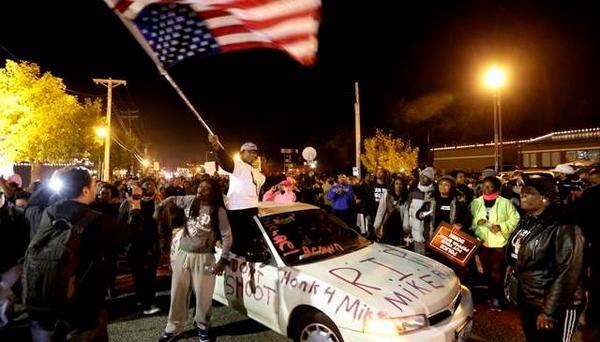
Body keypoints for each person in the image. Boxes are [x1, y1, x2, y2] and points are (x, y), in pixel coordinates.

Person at [25, 167, 142, 341]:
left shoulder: (47, 212)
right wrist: (136, 206)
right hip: (83, 308)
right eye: (94, 185)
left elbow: (31, 204)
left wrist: (53, 179)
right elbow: (133, 236)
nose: (96, 189)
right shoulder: (97, 220)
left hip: (44, 301)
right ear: (85, 190)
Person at [506, 175, 585, 341]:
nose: (523, 195)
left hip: (554, 304)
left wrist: (549, 311)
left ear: (545, 198)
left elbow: (567, 273)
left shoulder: (564, 226)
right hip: (530, 298)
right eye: (522, 191)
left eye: (529, 192)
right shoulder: (529, 220)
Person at [156, 178, 232, 342]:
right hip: (183, 255)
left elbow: (227, 236)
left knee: (204, 296)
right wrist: (160, 207)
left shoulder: (218, 211)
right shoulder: (189, 200)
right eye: (200, 187)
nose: (200, 190)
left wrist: (223, 260)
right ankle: (173, 328)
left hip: (205, 258)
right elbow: (171, 200)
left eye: (205, 189)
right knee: (177, 293)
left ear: (212, 193)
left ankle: (203, 326)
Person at [208, 134, 264, 257]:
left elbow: (269, 180)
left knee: (249, 244)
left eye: (255, 152)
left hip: (252, 210)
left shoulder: (257, 172)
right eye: (250, 152)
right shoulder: (239, 166)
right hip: (237, 211)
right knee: (237, 247)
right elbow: (226, 163)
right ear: (242, 153)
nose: (253, 155)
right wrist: (217, 148)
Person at [470, 176, 520, 311]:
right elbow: (471, 221)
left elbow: (515, 219)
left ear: (497, 188)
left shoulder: (505, 203)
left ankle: (496, 297)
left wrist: (501, 226)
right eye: (484, 186)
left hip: (499, 242)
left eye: (489, 186)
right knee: (485, 271)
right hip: (482, 242)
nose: (485, 189)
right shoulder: (475, 202)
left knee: (496, 271)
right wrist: (477, 223)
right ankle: (490, 293)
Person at [404, 167, 436, 255]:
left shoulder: (434, 193)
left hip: (427, 231)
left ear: (430, 179)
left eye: (426, 176)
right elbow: (408, 208)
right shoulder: (414, 190)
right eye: (422, 175)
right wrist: (406, 225)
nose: (422, 178)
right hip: (414, 229)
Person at [373, 177, 408, 246]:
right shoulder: (387, 194)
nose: (398, 186)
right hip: (388, 222)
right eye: (396, 183)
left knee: (396, 244)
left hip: (399, 224)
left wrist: (406, 227)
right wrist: (377, 224)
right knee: (386, 243)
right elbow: (381, 209)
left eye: (400, 184)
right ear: (394, 185)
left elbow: (406, 212)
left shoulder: (405, 197)